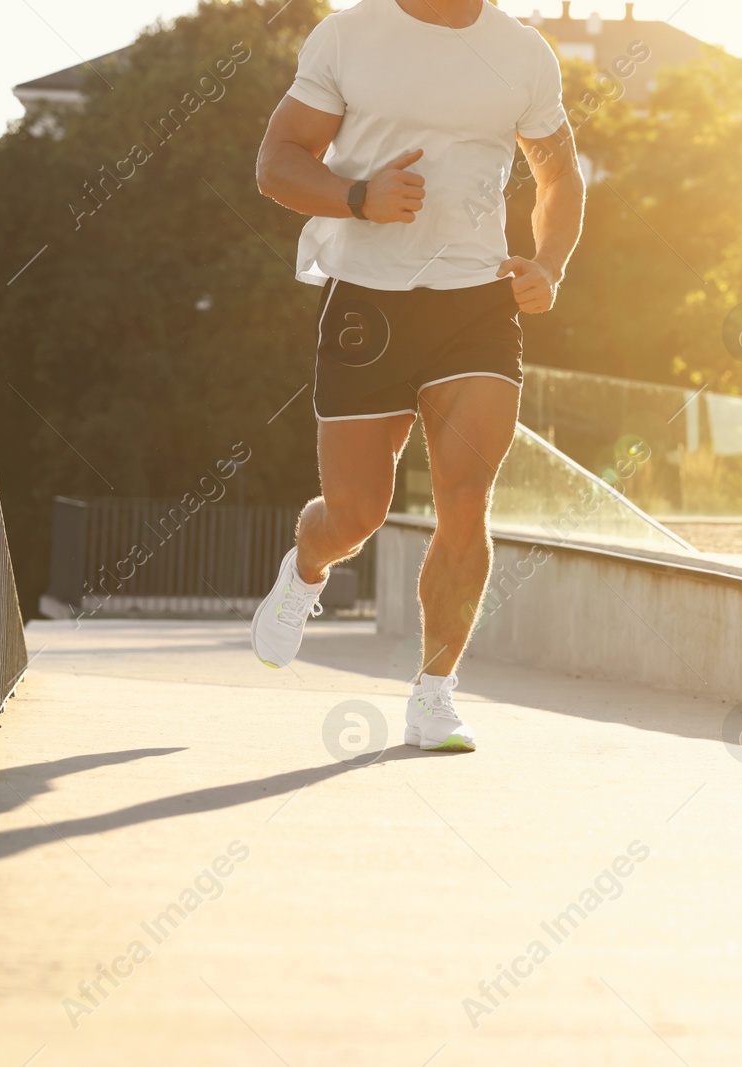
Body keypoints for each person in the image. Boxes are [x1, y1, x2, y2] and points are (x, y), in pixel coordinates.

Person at [251, 0, 585, 752]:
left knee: (465, 502)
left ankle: (434, 694)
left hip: (476, 305)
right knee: (355, 514)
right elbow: (277, 163)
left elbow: (561, 180)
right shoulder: (348, 35)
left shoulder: (524, 52)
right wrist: (359, 197)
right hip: (368, 303)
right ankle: (305, 570)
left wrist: (550, 265)